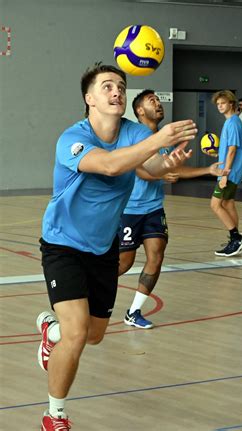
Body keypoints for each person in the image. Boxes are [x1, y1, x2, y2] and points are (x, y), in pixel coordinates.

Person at [36, 63, 196, 430]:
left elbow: (149, 167)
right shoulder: (71, 140)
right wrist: (158, 140)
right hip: (63, 244)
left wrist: (165, 161)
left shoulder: (135, 132)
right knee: (77, 333)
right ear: (89, 99)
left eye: (121, 86)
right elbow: (108, 166)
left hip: (103, 247)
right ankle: (54, 415)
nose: (117, 91)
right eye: (107, 86)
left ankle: (52, 333)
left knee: (92, 336)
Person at [119, 89, 225, 329]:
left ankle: (134, 311)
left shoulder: (164, 143)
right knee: (123, 263)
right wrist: (162, 173)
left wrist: (208, 171)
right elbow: (140, 170)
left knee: (156, 256)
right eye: (151, 101)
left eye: (158, 100)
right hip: (129, 210)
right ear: (139, 110)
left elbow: (176, 170)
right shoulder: (135, 138)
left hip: (154, 209)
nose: (157, 103)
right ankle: (88, 290)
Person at [211, 90, 242, 257]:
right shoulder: (233, 122)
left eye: (223, 103)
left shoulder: (232, 123)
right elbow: (229, 150)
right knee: (228, 204)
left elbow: (233, 150)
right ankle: (236, 240)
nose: (220, 106)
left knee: (215, 205)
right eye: (218, 104)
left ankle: (236, 237)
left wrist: (224, 174)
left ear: (231, 104)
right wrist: (217, 156)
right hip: (232, 170)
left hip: (229, 173)